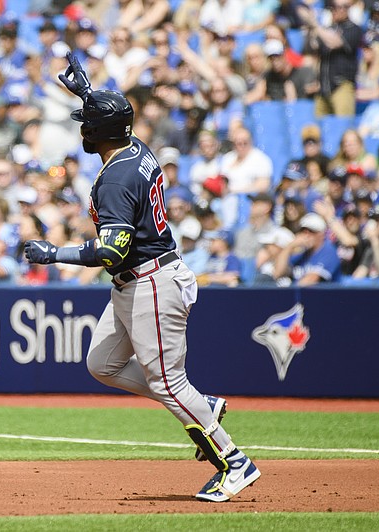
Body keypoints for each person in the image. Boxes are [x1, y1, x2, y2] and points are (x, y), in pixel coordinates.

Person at [24, 55, 260, 503]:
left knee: (168, 383)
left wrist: (54, 253)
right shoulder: (136, 148)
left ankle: (234, 462)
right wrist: (89, 93)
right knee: (102, 364)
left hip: (150, 280)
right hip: (140, 279)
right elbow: (116, 123)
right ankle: (202, 405)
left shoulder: (115, 179)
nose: (82, 129)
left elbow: (110, 250)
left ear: (96, 133)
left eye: (86, 123)